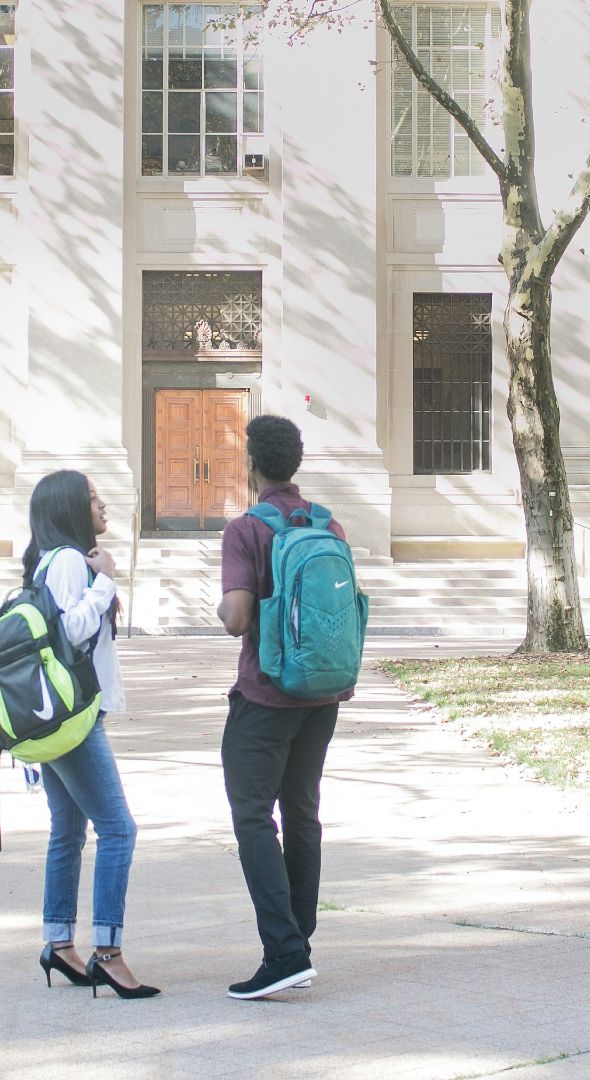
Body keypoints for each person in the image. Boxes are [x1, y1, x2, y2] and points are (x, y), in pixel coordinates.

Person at [214, 415, 353, 1000]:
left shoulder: (246, 529)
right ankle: (300, 939)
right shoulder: (329, 524)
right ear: (295, 463)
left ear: (252, 465)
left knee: (252, 817)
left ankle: (284, 951)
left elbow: (237, 619)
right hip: (322, 694)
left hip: (266, 695)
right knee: (302, 813)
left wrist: (222, 603)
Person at [21, 470, 158, 999]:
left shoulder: (48, 561)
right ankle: (108, 953)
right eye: (94, 498)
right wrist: (106, 581)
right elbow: (73, 630)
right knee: (119, 830)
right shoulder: (71, 563)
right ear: (70, 509)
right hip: (73, 718)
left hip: (55, 715)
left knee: (69, 831)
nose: (104, 505)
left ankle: (58, 943)